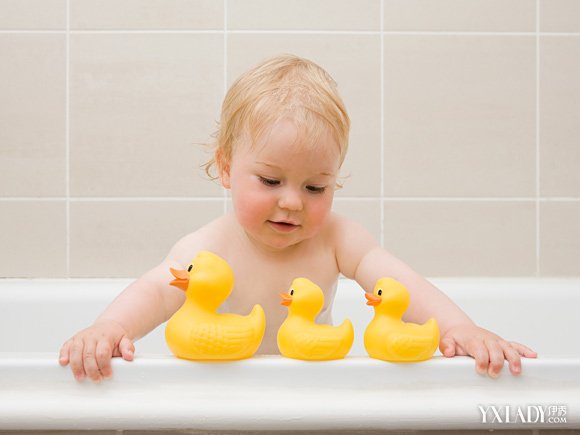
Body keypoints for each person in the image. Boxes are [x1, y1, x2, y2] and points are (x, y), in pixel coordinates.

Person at [59, 54, 537, 382]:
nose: (292, 202)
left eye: (315, 187)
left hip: (313, 397)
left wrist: (459, 327)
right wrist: (109, 328)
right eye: (270, 181)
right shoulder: (206, 249)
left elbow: (400, 282)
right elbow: (153, 290)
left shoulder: (337, 238)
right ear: (225, 167)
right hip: (218, 398)